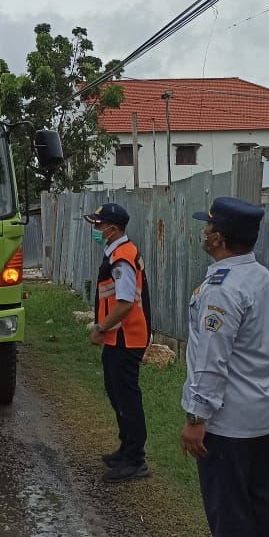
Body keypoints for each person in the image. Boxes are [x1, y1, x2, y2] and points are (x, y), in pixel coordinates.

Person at [181, 197, 269, 537]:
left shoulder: (222, 289)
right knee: (263, 501)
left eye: (207, 228)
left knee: (229, 509)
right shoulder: (265, 279)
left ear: (219, 238)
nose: (203, 234)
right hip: (263, 413)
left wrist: (196, 416)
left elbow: (212, 362)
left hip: (227, 421)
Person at [85, 202, 152, 483]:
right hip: (119, 338)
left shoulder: (122, 258)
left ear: (112, 229)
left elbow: (124, 303)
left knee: (126, 398)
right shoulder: (118, 252)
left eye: (98, 225)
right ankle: (126, 449)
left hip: (126, 337)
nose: (95, 229)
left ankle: (135, 460)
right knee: (116, 393)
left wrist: (101, 327)